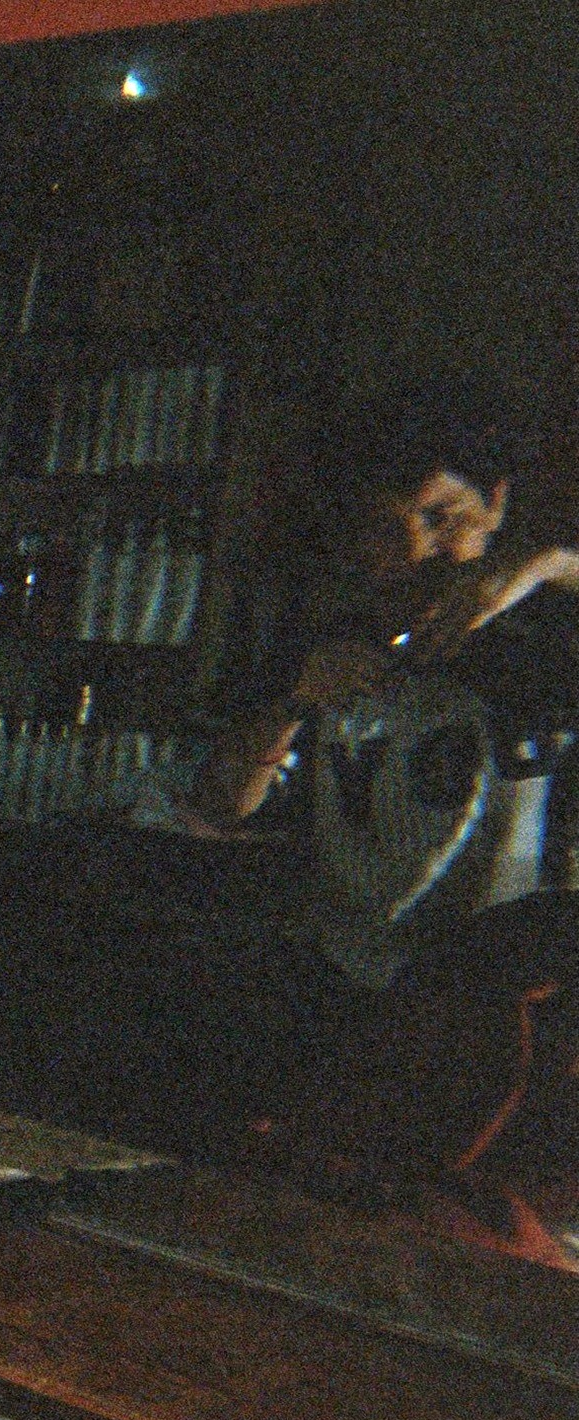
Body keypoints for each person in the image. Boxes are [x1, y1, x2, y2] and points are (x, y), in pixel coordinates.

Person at [187, 377, 578, 991]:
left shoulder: (549, 628)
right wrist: (293, 702)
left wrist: (551, 565)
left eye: (440, 517)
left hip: (522, 996)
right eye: (382, 527)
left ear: (496, 504)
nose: (418, 550)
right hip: (354, 987)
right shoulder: (329, 636)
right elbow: (220, 804)